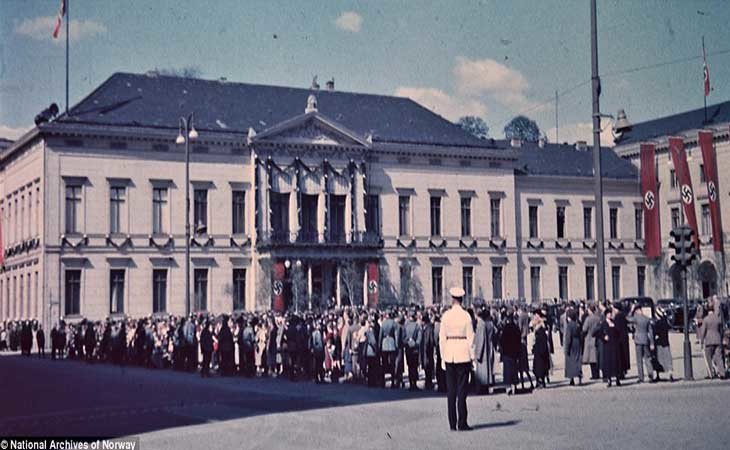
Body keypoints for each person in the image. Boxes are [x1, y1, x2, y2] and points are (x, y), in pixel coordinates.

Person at [439, 287, 475, 431]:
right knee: (462, 390)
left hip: (449, 352)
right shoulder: (466, 316)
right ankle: (462, 422)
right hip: (463, 353)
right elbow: (471, 338)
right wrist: (472, 357)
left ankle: (452, 423)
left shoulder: (446, 316)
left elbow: (441, 338)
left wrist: (442, 356)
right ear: (462, 299)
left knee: (451, 391)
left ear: (452, 299)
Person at [628, 305, 655, 383]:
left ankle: (641, 377)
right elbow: (651, 332)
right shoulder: (646, 318)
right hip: (646, 339)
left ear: (636, 311)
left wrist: (631, 311)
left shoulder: (636, 318)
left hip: (638, 340)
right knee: (647, 358)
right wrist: (652, 343)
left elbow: (628, 319)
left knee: (639, 360)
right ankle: (651, 375)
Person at [473, 308, 495, 394]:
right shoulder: (484, 323)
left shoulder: (480, 324)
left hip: (482, 352)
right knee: (484, 370)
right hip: (485, 349)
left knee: (482, 372)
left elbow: (480, 339)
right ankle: (484, 388)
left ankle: (481, 389)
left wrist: (478, 353)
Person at [700, 304, 726, 379]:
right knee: (719, 357)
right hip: (717, 339)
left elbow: (703, 331)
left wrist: (701, 341)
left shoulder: (706, 319)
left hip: (709, 340)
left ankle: (710, 373)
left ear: (707, 311)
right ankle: (722, 373)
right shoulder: (717, 318)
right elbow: (721, 329)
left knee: (708, 358)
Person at [500, 311, 521, 395]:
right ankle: (514, 386)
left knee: (507, 370)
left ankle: (508, 387)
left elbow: (502, 340)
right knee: (514, 369)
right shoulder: (516, 328)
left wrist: (502, 349)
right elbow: (518, 339)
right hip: (514, 352)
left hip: (507, 352)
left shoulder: (505, 328)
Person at [599, 308, 621, 387]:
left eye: (610, 314)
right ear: (606, 315)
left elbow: (618, 333)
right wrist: (604, 337)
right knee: (608, 363)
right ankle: (609, 380)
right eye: (608, 314)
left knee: (616, 362)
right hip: (607, 346)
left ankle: (618, 379)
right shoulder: (603, 323)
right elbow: (600, 333)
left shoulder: (614, 322)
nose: (610, 315)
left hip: (614, 345)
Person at [531, 312, 550, 388]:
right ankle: (541, 381)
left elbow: (541, 341)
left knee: (539, 368)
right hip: (540, 352)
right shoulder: (540, 330)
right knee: (540, 368)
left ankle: (540, 382)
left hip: (540, 352)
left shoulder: (540, 331)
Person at [403, 311, 422, 391]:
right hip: (415, 349)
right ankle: (414, 383)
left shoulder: (405, 326)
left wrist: (408, 342)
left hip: (408, 348)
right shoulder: (417, 326)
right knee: (415, 366)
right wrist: (415, 343)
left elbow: (403, 338)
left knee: (410, 366)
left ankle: (411, 383)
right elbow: (419, 338)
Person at [654, 310, 674, 382]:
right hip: (666, 342)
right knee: (668, 359)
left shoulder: (657, 323)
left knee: (659, 359)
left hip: (659, 343)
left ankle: (657, 375)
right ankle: (670, 373)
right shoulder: (665, 321)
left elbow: (655, 333)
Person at [582, 305, 601, 380]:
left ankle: (594, 375)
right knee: (596, 357)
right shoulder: (598, 318)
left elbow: (584, 329)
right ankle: (597, 374)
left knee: (591, 358)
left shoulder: (588, 319)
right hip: (596, 338)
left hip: (589, 338)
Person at [379, 311, 398, 388]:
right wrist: (396, 345)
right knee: (392, 364)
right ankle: (393, 381)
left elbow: (380, 335)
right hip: (392, 342)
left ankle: (383, 381)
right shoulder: (394, 323)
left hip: (384, 343)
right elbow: (396, 335)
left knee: (384, 363)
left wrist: (379, 345)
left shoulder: (383, 323)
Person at [564, 309, 582, 386]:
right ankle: (579, 376)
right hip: (577, 343)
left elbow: (568, 338)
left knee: (570, 362)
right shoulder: (577, 324)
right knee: (577, 360)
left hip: (571, 344)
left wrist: (566, 348)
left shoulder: (569, 325)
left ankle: (572, 379)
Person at [421, 312, 436, 391]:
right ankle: (428, 381)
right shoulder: (427, 327)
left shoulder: (429, 328)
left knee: (428, 366)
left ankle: (428, 382)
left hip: (427, 350)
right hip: (426, 350)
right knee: (427, 367)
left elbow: (429, 340)